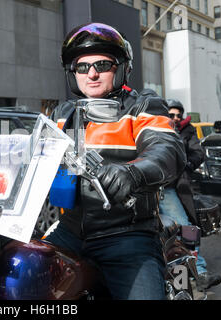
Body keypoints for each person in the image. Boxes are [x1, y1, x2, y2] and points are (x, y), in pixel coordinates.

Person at [44, 22, 186, 300]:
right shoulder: (62, 113)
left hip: (126, 235)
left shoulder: (142, 105)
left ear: (120, 67)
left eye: (102, 64)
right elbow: (30, 156)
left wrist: (133, 173)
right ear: (73, 75)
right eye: (82, 67)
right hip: (69, 230)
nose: (92, 73)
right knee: (16, 272)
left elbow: (166, 148)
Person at [159, 98, 221, 291]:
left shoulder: (187, 130)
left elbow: (198, 153)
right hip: (147, 188)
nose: (176, 118)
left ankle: (200, 273)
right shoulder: (153, 127)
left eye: (179, 114)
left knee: (186, 228)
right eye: (171, 114)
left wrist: (187, 165)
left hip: (172, 188)